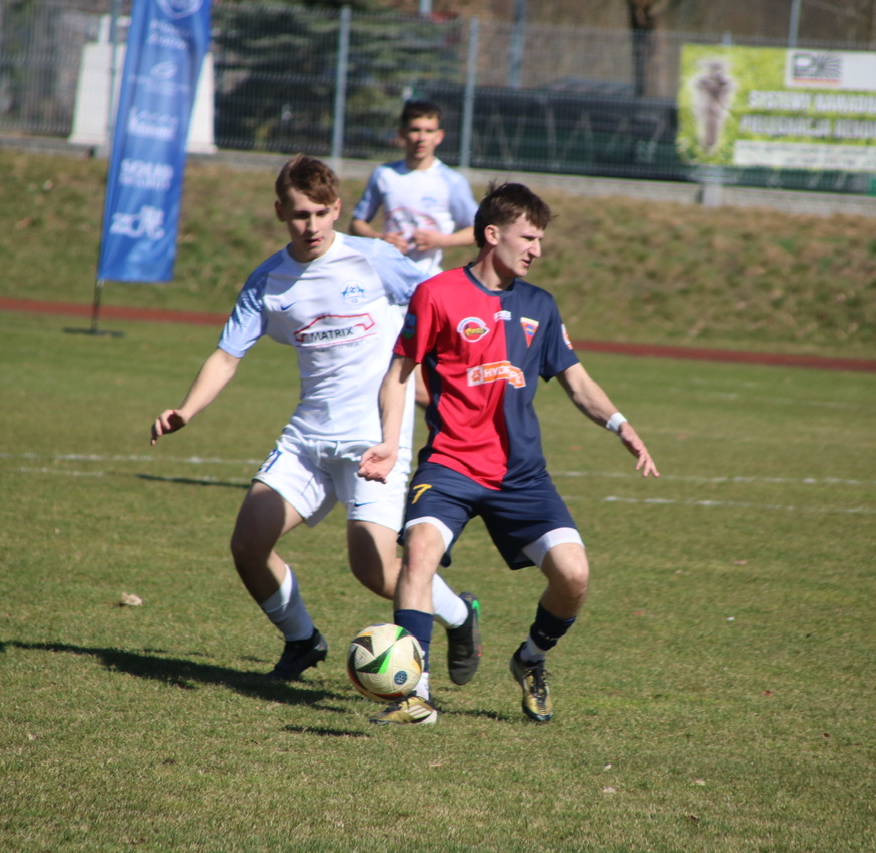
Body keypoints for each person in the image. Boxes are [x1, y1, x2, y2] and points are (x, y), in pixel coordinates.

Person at [150, 155, 481, 688]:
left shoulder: (375, 258)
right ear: (280, 211)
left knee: (374, 571)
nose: (311, 226)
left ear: (337, 209)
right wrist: (186, 409)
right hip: (308, 437)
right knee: (248, 544)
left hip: (375, 440)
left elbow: (436, 302)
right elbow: (227, 356)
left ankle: (461, 617)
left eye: (322, 213)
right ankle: (302, 640)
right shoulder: (269, 280)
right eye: (301, 214)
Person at [358, 182, 659, 726]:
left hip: (521, 476)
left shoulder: (540, 305)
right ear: (493, 235)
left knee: (574, 576)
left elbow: (576, 381)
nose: (537, 250)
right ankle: (415, 695)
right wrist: (388, 439)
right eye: (529, 237)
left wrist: (620, 424)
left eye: (540, 239)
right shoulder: (437, 294)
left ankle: (531, 659)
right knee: (419, 552)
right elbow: (399, 373)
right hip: (450, 464)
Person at [349, 99, 477, 280]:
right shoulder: (384, 174)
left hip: (428, 278)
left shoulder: (452, 181)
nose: (421, 138)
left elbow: (478, 230)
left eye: (429, 131)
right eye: (415, 130)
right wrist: (380, 239)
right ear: (402, 133)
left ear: (439, 136)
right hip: (388, 277)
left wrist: (441, 240)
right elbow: (356, 223)